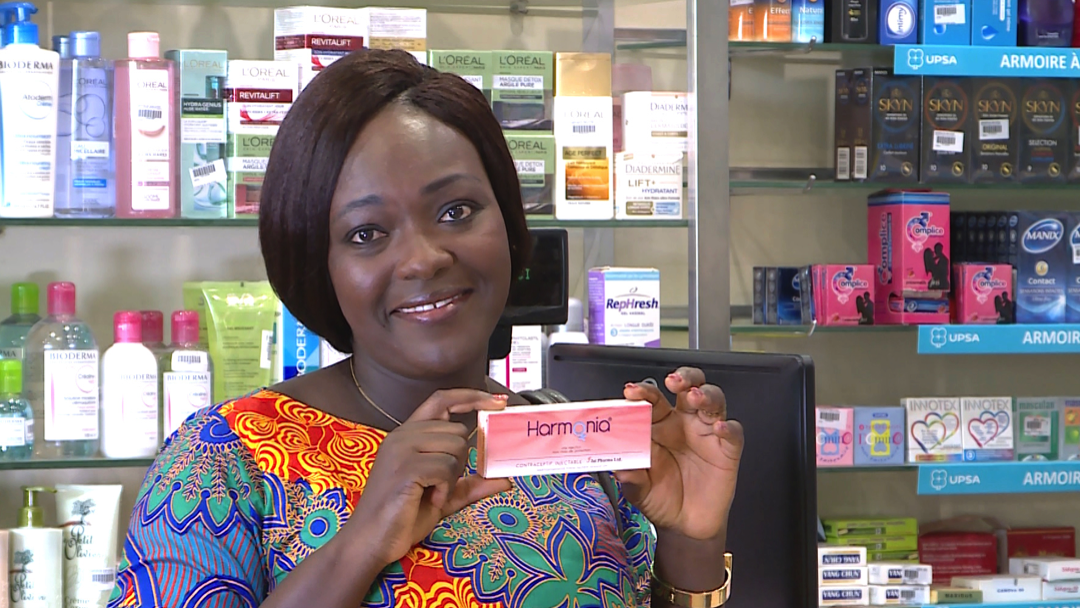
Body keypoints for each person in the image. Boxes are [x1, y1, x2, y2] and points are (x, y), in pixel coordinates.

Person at [108, 50, 744, 608]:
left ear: (509, 222)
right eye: (366, 234)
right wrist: (361, 542)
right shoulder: (224, 459)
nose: (424, 258)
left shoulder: (571, 445)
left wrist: (692, 538)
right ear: (317, 263)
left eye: (456, 210)